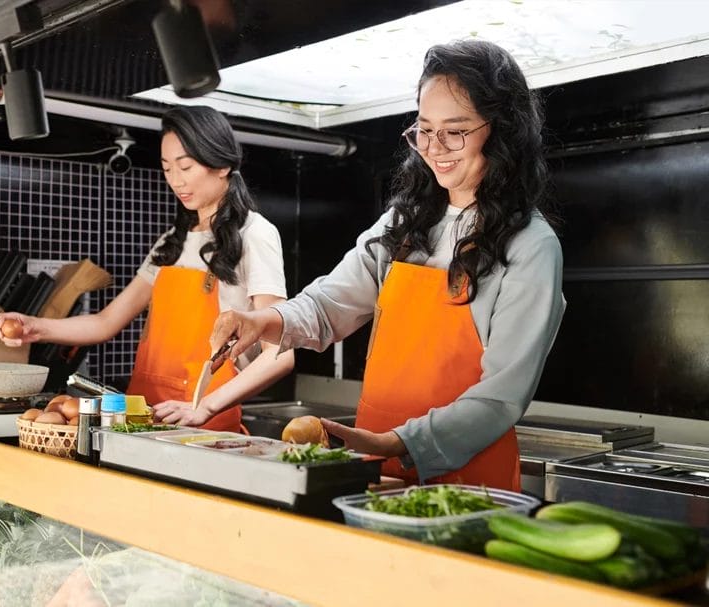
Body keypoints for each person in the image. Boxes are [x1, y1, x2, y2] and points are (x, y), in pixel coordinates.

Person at [210, 40, 566, 491]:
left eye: (454, 131)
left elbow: (500, 398)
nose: (435, 148)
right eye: (424, 129)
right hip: (373, 468)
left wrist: (397, 442)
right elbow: (328, 304)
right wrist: (263, 320)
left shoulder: (531, 245)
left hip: (465, 483)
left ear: (502, 131)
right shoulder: (405, 221)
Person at [0, 105, 294, 433]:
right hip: (145, 418)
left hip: (206, 426)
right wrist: (36, 328)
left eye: (186, 166)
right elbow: (106, 322)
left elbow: (280, 353)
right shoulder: (172, 241)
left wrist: (204, 406)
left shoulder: (255, 234)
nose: (176, 181)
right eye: (167, 169)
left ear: (222, 164)